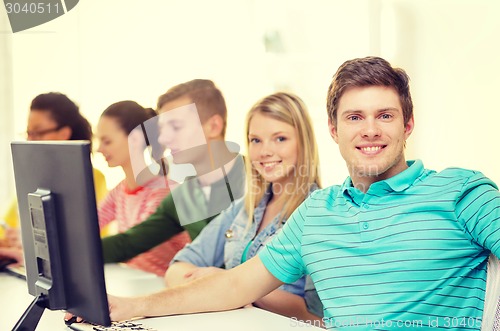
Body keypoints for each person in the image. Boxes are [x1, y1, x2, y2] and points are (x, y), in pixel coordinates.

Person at [86, 57, 498, 330]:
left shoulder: (460, 190)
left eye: (385, 116)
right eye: (355, 117)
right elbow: (233, 287)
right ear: (334, 130)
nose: (370, 129)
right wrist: (129, 306)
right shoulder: (319, 212)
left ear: (408, 125)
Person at [165, 92, 323, 321]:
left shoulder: (319, 213)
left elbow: (316, 315)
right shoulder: (241, 209)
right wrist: (226, 286)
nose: (265, 151)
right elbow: (177, 268)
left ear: (304, 142)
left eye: (280, 138)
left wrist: (232, 287)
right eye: (255, 140)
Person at [100, 79, 246, 264]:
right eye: (162, 129)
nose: (163, 138)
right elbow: (127, 243)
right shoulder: (183, 197)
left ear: (214, 126)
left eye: (176, 127)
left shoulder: (260, 180)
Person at [0, 92, 107, 265]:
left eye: (38, 133)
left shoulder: (92, 179)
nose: (30, 140)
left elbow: (92, 239)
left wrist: (30, 240)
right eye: (28, 133)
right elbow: (5, 227)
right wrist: (11, 240)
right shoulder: (33, 178)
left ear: (64, 133)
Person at [96, 100, 190, 276]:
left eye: (107, 141)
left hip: (165, 288)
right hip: (135, 284)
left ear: (136, 139)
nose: (99, 149)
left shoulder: (163, 192)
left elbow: (131, 244)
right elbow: (90, 224)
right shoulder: (119, 191)